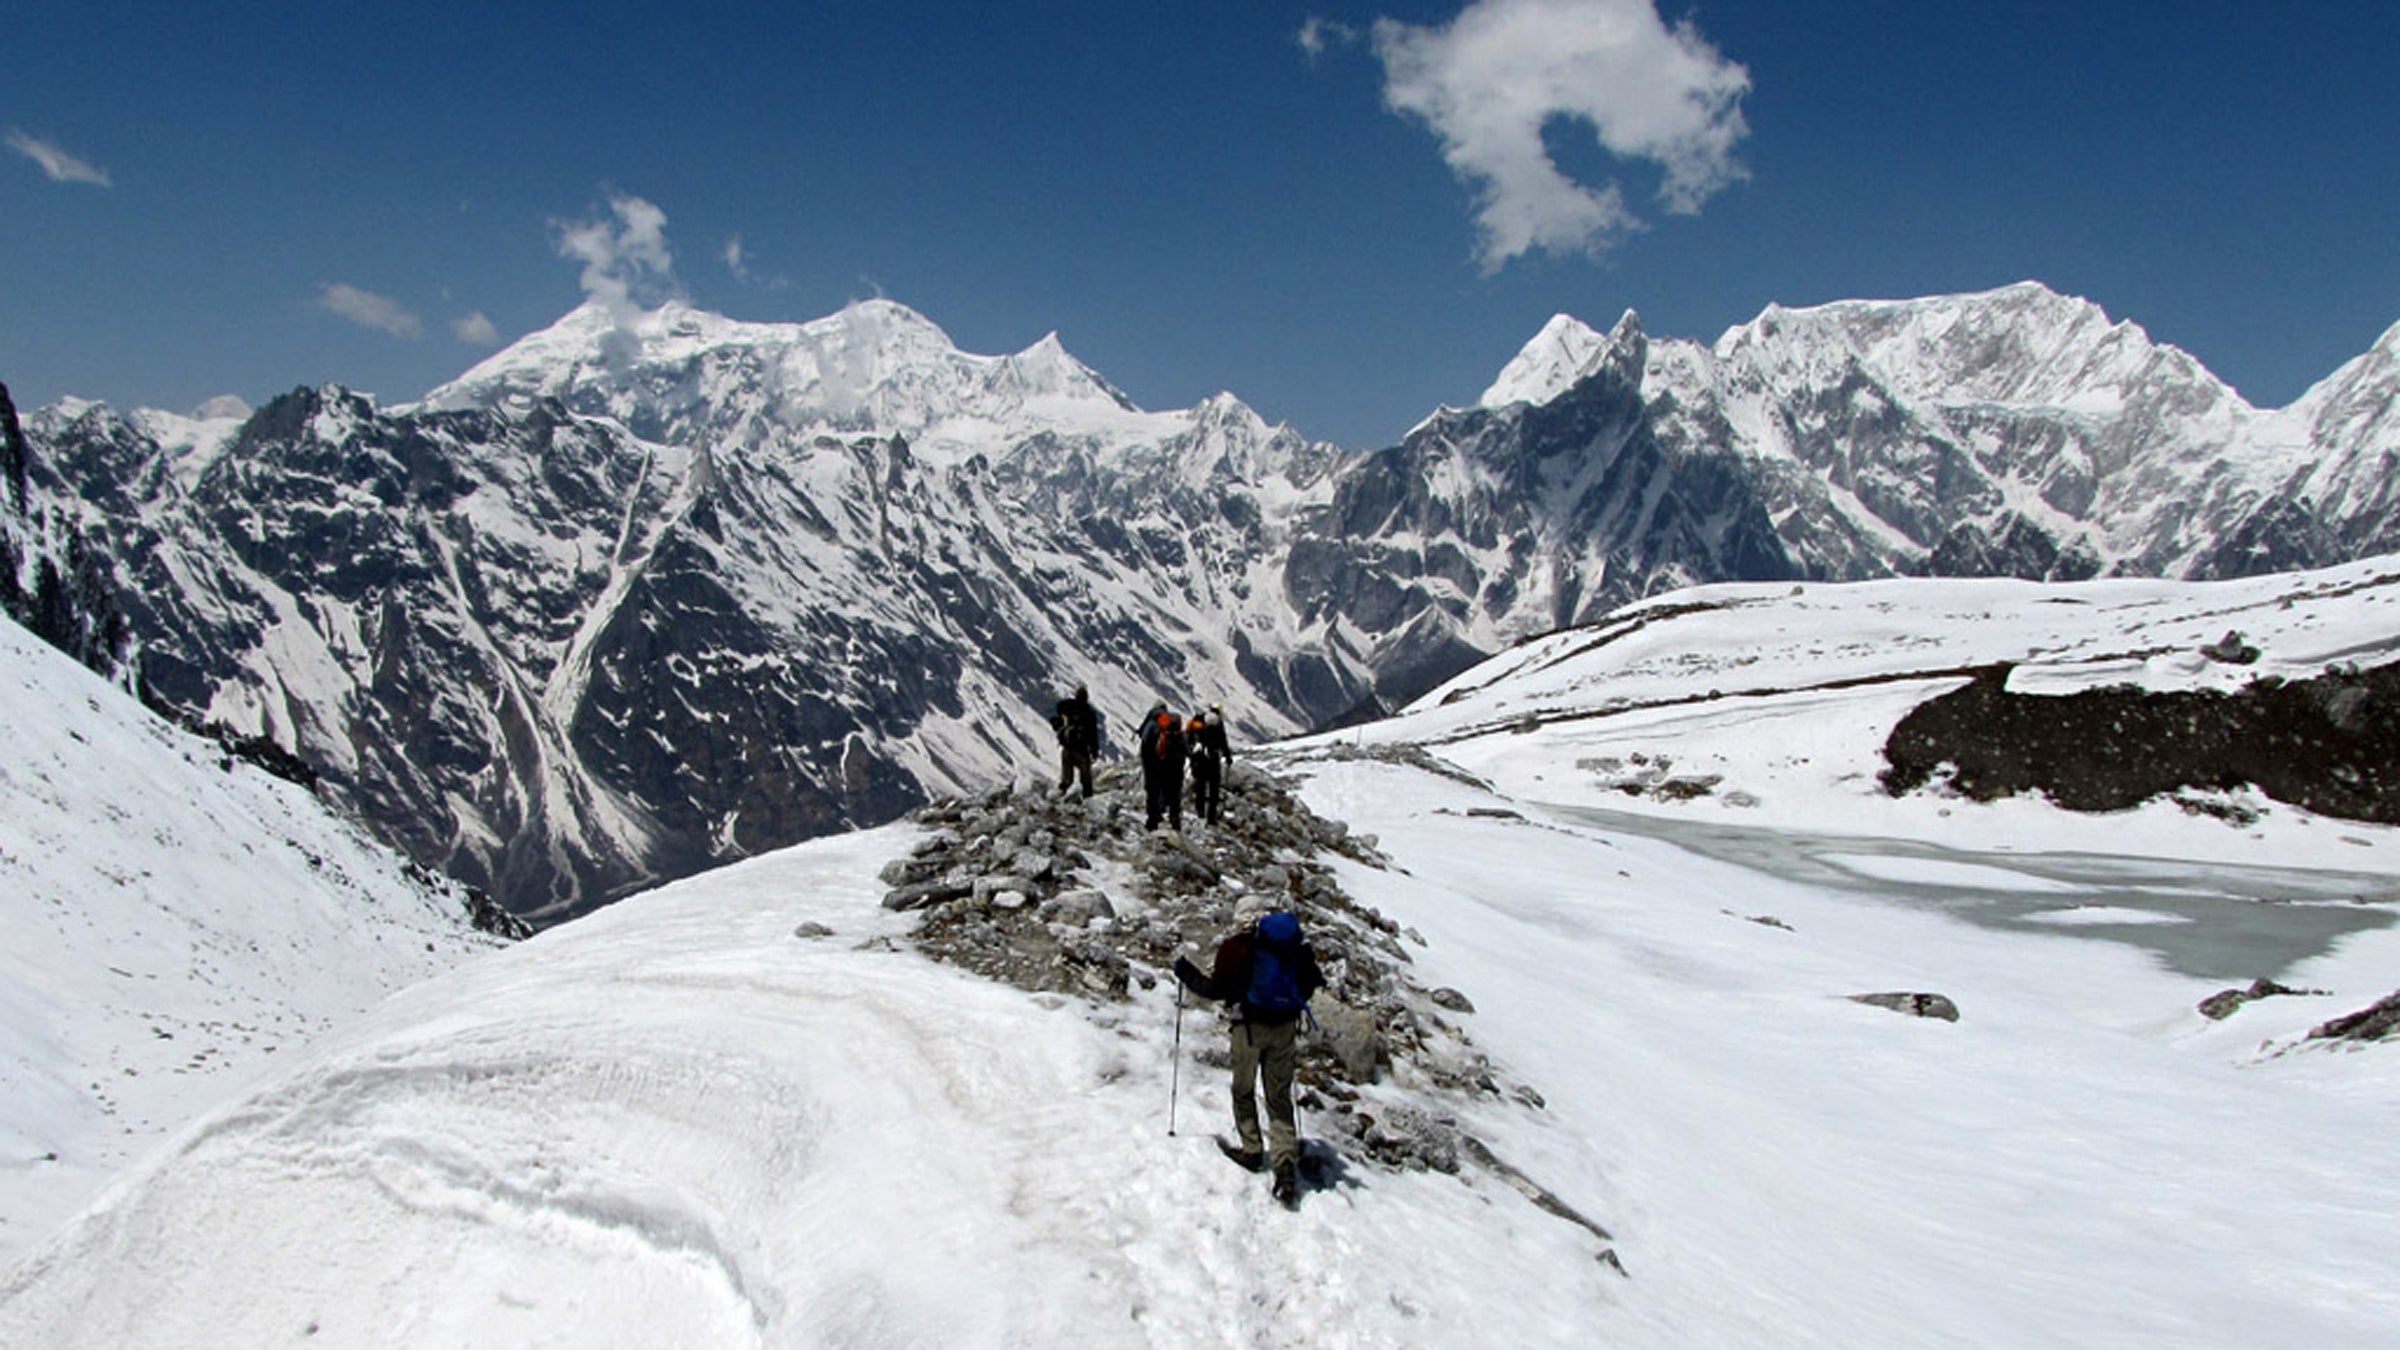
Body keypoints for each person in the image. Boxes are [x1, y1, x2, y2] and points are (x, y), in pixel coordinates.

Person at [1175, 898, 1324, 1203]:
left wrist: (1185, 972)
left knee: (1243, 1089)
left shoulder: (1236, 947)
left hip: (1248, 1029)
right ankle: (1284, 1165)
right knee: (1279, 1096)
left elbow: (1216, 990)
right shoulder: (1293, 946)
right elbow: (1310, 984)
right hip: (1284, 1029)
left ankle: (1252, 1150)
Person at [1137, 703, 1186, 831]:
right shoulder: (1174, 726)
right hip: (1175, 766)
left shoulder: (1152, 725)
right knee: (1174, 792)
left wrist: (1148, 763)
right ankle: (1175, 819)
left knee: (1153, 791)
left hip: (1156, 765)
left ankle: (1153, 821)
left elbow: (1146, 744)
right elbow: (1185, 748)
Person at [1050, 684, 1099, 799]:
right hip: (1081, 751)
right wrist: (1094, 752)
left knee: (1067, 779)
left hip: (1067, 748)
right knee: (1086, 780)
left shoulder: (1068, 706)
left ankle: (1056, 799)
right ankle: (1088, 800)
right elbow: (1093, 735)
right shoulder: (1089, 713)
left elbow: (1059, 707)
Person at [1187, 705, 1232, 824]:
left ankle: (1200, 811)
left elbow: (1190, 739)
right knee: (1213, 789)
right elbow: (1223, 741)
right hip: (1213, 760)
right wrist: (1228, 757)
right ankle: (1211, 817)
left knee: (1200, 786)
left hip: (1200, 760)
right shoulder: (1218, 724)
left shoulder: (1200, 722)